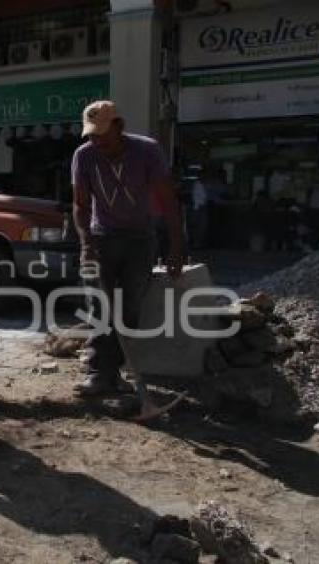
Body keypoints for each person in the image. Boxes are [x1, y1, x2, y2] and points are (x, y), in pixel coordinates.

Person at [71, 101, 184, 396]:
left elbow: (169, 201)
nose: (97, 142)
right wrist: (86, 244)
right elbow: (80, 205)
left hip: (140, 239)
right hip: (101, 237)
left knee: (129, 307)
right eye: (92, 136)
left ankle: (116, 372)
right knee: (99, 306)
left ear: (119, 126)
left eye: (102, 136)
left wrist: (176, 248)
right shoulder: (84, 156)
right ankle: (98, 374)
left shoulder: (147, 151)